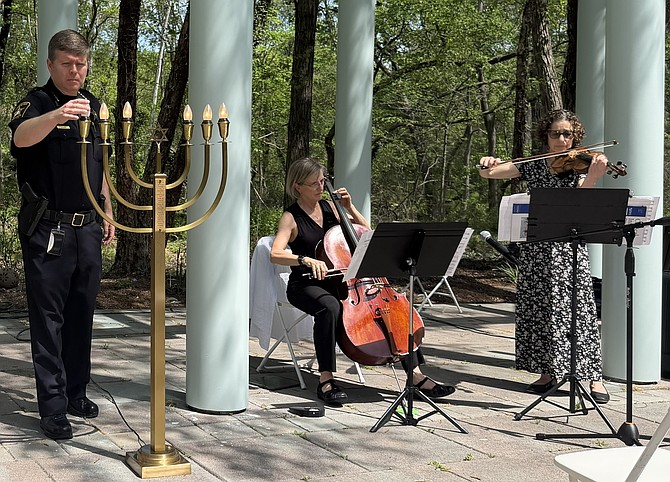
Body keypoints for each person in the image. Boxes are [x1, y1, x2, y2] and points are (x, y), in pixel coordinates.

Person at [270, 157, 455, 404]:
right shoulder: (291, 217)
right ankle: (326, 379)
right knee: (330, 308)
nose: (321, 187)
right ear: (297, 187)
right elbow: (276, 253)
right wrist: (305, 260)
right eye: (313, 183)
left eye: (323, 181)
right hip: (307, 283)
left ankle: (417, 376)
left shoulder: (331, 208)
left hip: (344, 283)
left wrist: (349, 207)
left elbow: (365, 234)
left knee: (395, 310)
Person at [9, 29, 115, 439]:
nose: (76, 70)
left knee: (81, 316)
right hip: (48, 228)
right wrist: (57, 115)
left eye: (81, 64)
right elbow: (19, 139)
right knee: (48, 321)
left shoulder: (97, 106)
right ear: (51, 64)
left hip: (87, 227)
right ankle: (52, 407)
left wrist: (107, 208)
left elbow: (99, 162)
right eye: (68, 64)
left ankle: (75, 392)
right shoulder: (35, 102)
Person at [478, 109, 610, 404]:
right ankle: (549, 372)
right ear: (546, 137)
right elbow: (491, 173)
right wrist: (486, 164)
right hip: (537, 248)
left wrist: (593, 176)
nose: (561, 140)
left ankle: (593, 376)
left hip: (567, 249)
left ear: (575, 136)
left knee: (578, 311)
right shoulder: (532, 165)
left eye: (567, 134)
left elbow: (579, 205)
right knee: (539, 308)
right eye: (555, 134)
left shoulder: (579, 166)